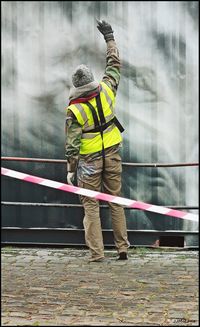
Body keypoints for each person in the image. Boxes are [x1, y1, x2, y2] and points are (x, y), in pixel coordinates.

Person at [65, 19, 130, 262]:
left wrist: (71, 170)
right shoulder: (107, 89)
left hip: (89, 162)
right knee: (115, 200)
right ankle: (122, 249)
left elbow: (72, 146)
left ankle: (97, 254)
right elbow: (114, 65)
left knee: (91, 206)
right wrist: (109, 36)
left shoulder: (74, 110)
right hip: (112, 154)